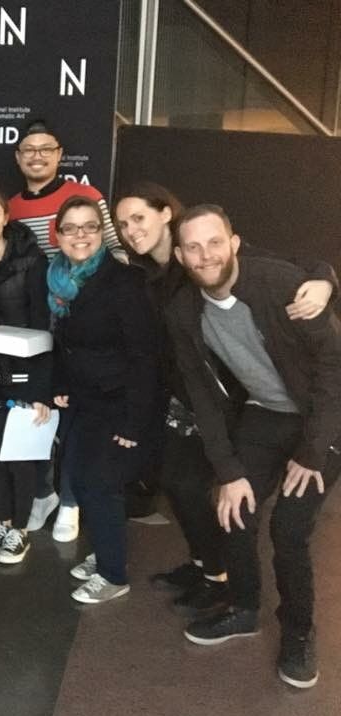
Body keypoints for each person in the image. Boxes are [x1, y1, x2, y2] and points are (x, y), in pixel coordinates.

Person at [114, 182, 336, 615]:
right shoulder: (151, 277)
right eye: (122, 224)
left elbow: (305, 269)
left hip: (250, 402)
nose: (131, 229)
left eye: (138, 217)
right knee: (182, 484)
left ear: (165, 214)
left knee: (235, 503)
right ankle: (211, 570)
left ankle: (226, 581)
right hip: (198, 396)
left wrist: (326, 282)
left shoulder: (223, 260)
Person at [167, 204, 341, 689]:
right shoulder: (183, 311)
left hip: (322, 419)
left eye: (214, 242)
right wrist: (228, 471)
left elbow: (333, 370)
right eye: (193, 247)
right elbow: (202, 396)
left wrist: (313, 451)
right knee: (232, 508)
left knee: (289, 530)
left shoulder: (279, 284)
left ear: (234, 243)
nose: (206, 255)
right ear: (180, 255)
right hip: (265, 414)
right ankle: (244, 606)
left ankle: (299, 632)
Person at [7, 119, 126, 541]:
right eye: (29, 149)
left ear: (60, 154)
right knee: (39, 410)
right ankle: (45, 493)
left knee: (78, 418)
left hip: (91, 326)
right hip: (41, 327)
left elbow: (116, 251)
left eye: (46, 148)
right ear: (18, 157)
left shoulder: (87, 197)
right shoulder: (11, 208)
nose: (37, 156)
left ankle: (72, 502)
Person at [49, 195, 158, 603]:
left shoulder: (124, 281)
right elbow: (67, 343)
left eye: (89, 226)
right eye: (70, 228)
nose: (80, 235)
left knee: (100, 484)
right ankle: (106, 553)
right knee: (79, 479)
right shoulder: (60, 279)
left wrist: (134, 421)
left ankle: (113, 576)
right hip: (83, 399)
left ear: (101, 232)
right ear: (58, 235)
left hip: (119, 401)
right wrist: (60, 383)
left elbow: (145, 356)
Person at [0, 181, 52, 565]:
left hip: (27, 372)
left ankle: (20, 529)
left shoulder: (31, 261)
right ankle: (2, 522)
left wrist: (41, 388)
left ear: (5, 218)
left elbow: (45, 324)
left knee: (19, 454)